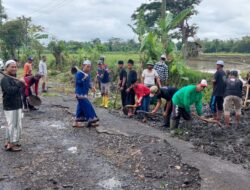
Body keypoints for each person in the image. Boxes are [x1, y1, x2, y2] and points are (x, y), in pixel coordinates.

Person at [1, 60, 25, 151]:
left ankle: (8, 141)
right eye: (12, 67)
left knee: (15, 124)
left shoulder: (13, 78)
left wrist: (21, 83)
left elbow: (18, 90)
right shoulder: (4, 80)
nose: (14, 68)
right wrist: (20, 83)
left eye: (15, 67)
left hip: (17, 105)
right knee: (13, 125)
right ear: (6, 68)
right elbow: (10, 91)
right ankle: (12, 144)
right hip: (10, 106)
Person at [73, 60, 98, 128]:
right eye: (87, 67)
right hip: (80, 94)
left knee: (80, 108)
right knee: (88, 106)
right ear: (83, 66)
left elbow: (88, 83)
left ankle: (75, 122)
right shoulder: (79, 73)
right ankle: (92, 119)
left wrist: (92, 88)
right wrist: (84, 78)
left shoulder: (88, 74)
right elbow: (78, 83)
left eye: (89, 67)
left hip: (85, 93)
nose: (88, 68)